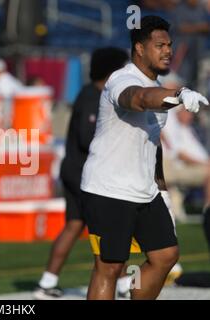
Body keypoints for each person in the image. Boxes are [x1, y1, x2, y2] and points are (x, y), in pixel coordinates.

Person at [80, 15, 209, 300]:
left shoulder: (160, 87)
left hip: (145, 191)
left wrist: (161, 190)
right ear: (139, 48)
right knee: (110, 268)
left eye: (170, 45)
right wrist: (178, 94)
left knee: (165, 255)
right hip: (108, 189)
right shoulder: (122, 79)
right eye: (160, 45)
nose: (168, 51)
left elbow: (154, 145)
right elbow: (138, 99)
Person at [33, 47, 129, 300]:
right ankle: (120, 283)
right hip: (85, 175)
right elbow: (89, 138)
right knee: (109, 227)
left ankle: (47, 281)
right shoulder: (93, 97)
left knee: (74, 226)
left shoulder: (94, 94)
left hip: (76, 171)